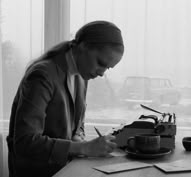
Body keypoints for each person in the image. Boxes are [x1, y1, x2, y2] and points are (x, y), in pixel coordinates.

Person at [6, 20, 124, 177]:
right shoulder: (42, 75)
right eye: (101, 63)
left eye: (107, 68)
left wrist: (79, 138)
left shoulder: (82, 75)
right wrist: (84, 148)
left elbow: (78, 125)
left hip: (64, 170)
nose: (102, 73)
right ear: (83, 46)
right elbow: (25, 142)